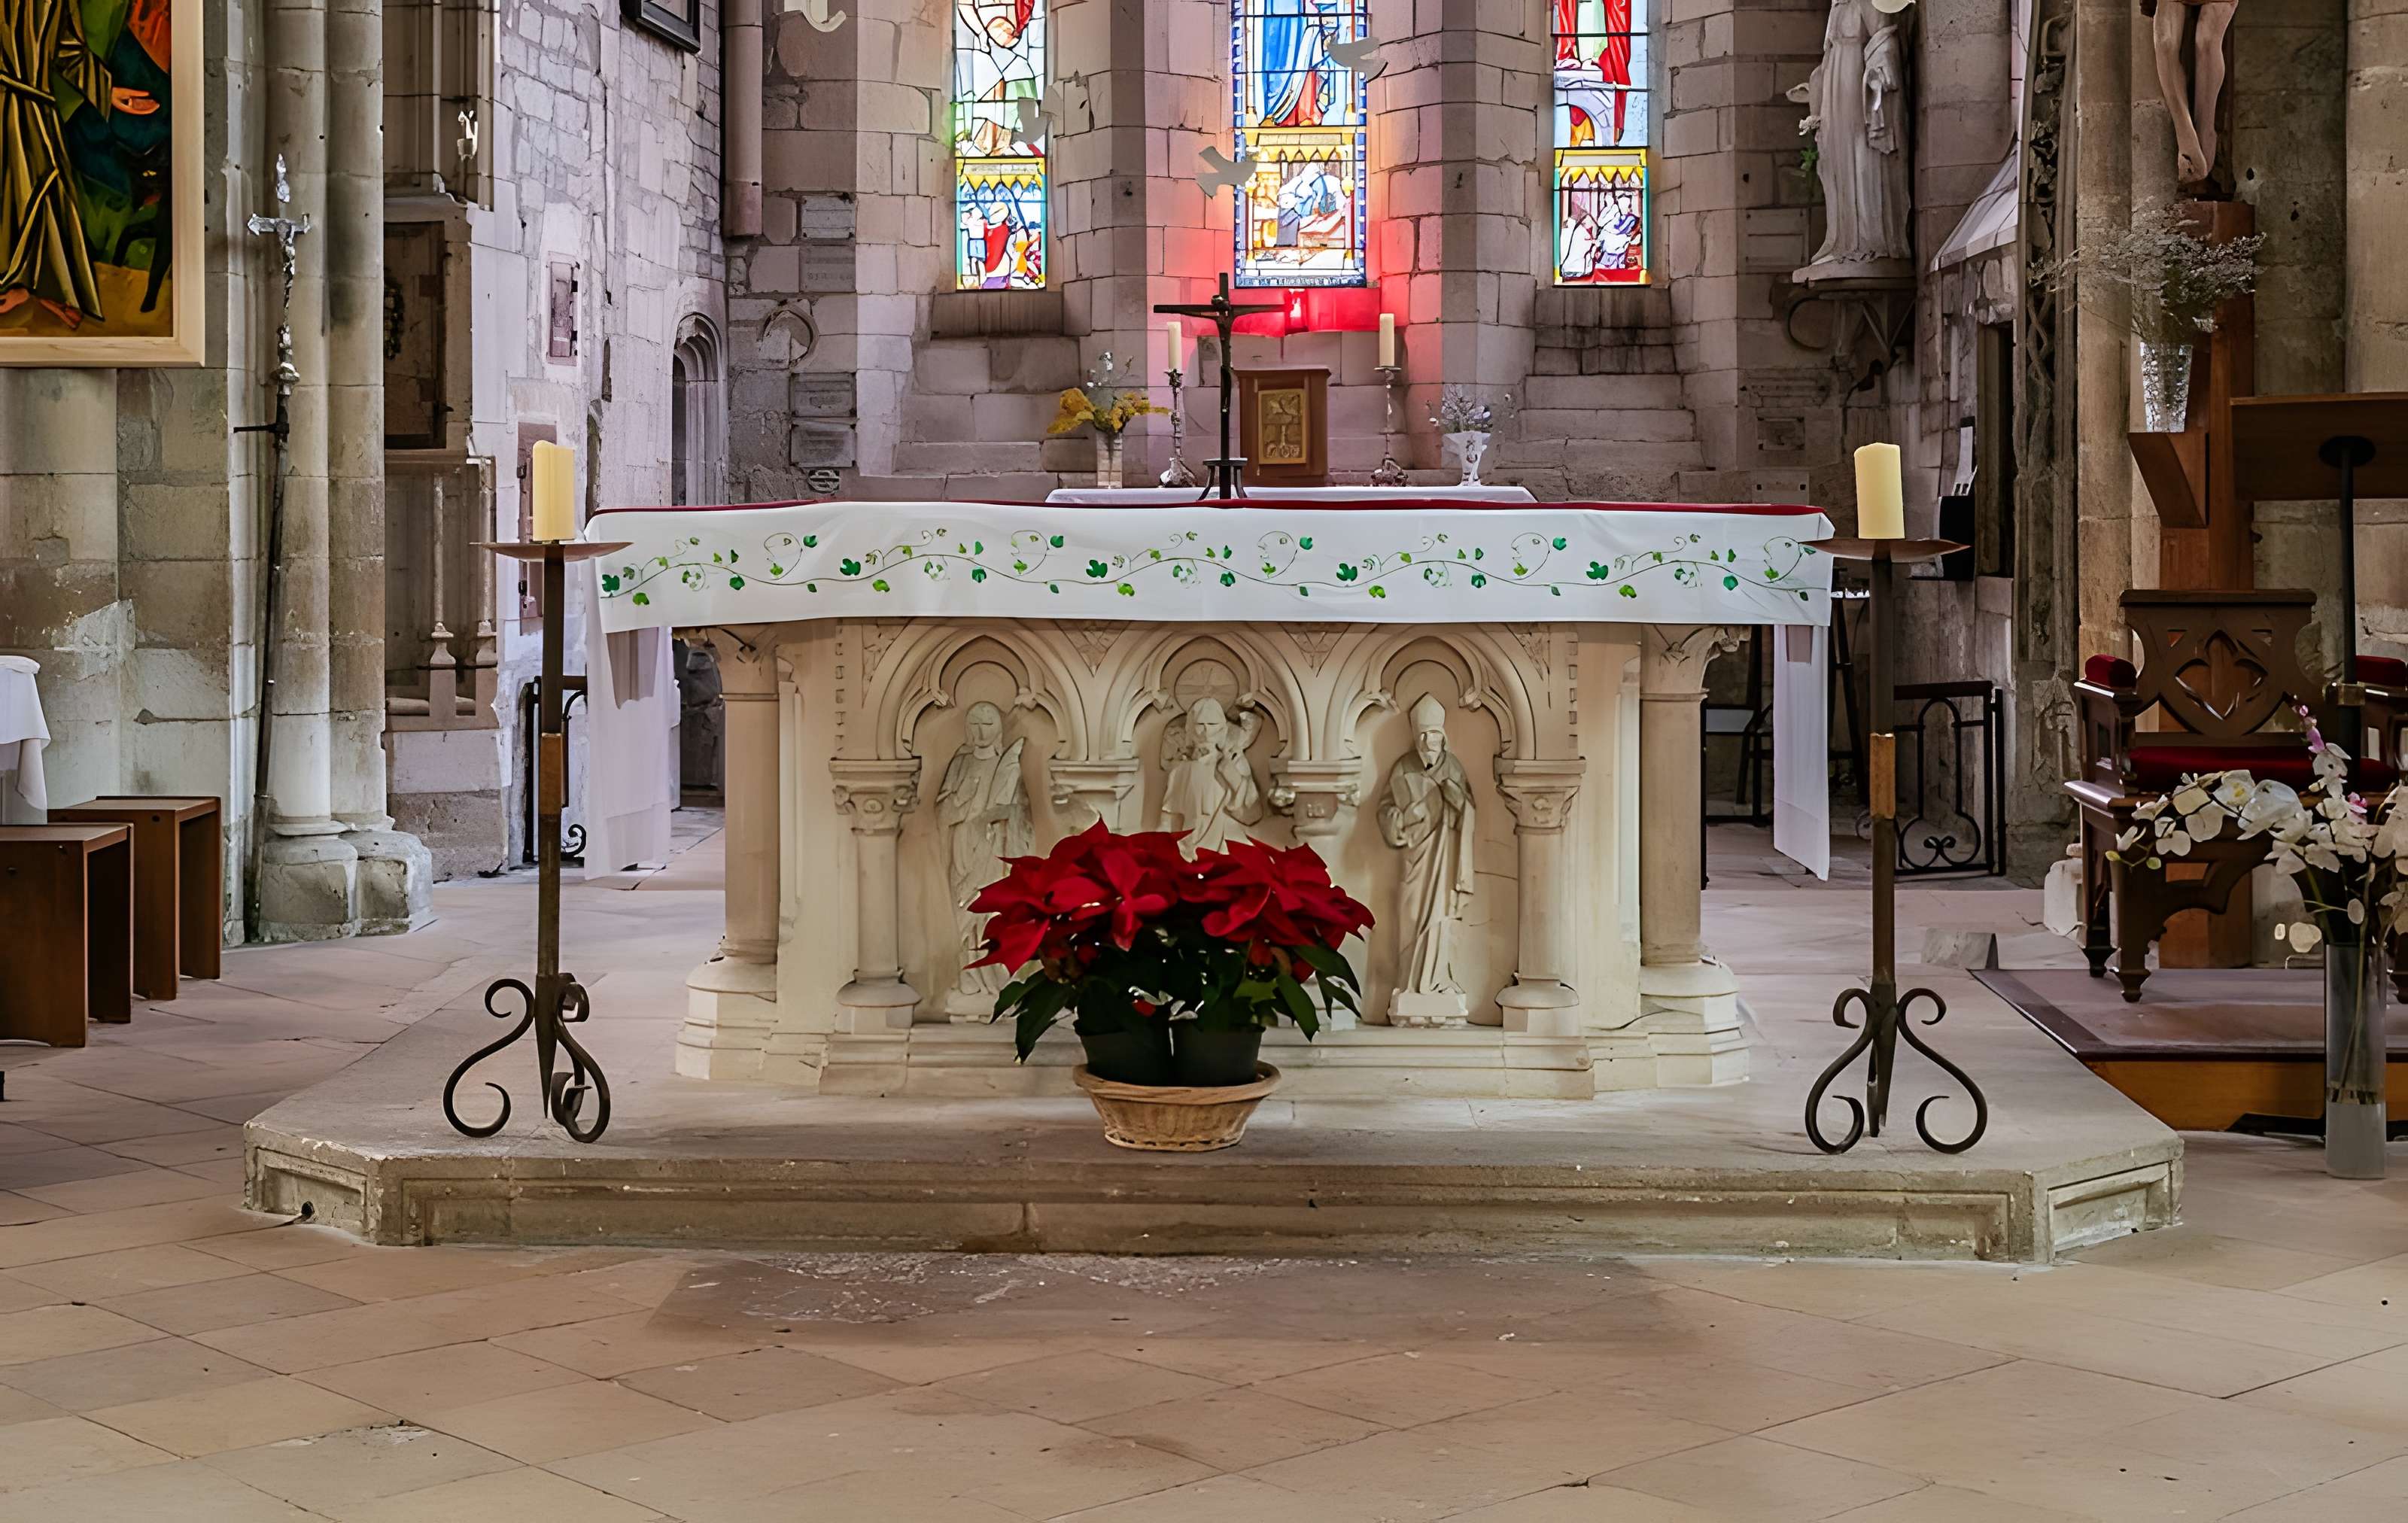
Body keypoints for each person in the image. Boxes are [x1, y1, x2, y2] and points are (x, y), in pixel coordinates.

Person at [0, 0, 161, 328]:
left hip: (31, 104)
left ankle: (26, 283)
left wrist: (109, 91)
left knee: (41, 186)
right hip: (16, 101)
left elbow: (68, 49)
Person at [1378, 694, 1477, 1011]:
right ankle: (1409, 983)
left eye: (1433, 733)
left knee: (1441, 919)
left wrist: (1456, 798)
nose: (1427, 740)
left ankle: (1438, 982)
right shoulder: (1403, 768)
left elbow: (1469, 812)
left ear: (1442, 735)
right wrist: (1405, 817)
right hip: (1415, 857)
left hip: (1445, 858)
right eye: (1422, 734)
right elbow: (1385, 810)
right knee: (1409, 915)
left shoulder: (1454, 767)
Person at [1159, 698, 1263, 854]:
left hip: (1227, 843)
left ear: (1222, 727)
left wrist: (1232, 776)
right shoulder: (1180, 771)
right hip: (1189, 846)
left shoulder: (1234, 762)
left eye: (1212, 724)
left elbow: (1252, 815)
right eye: (1200, 725)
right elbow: (1170, 819)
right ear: (1191, 727)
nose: (1206, 731)